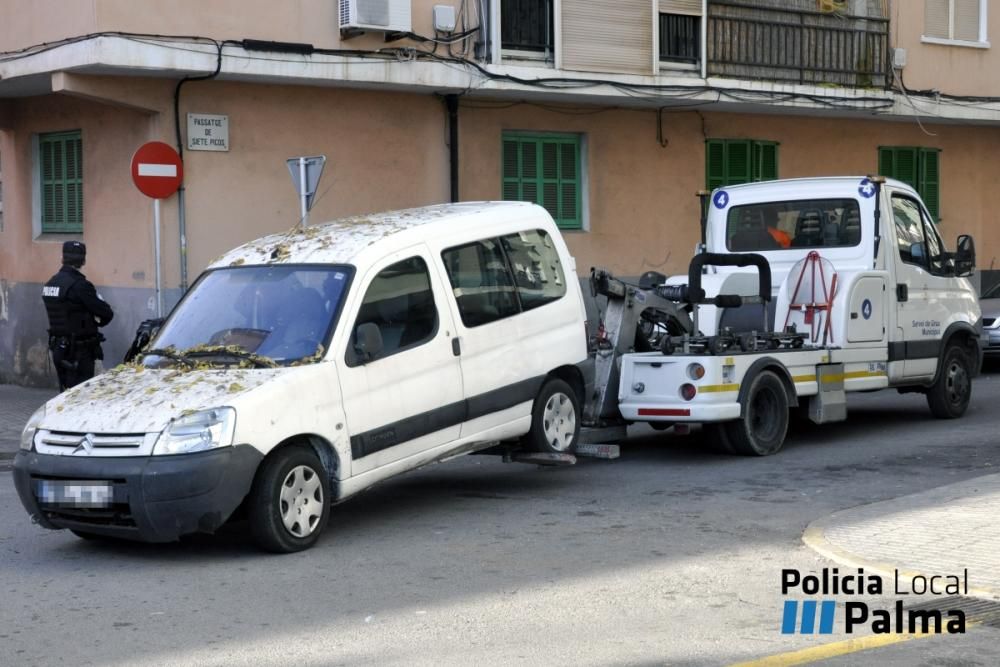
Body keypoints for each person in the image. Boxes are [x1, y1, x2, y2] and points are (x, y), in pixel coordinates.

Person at [42, 241, 115, 390]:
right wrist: (97, 322)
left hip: (59, 349)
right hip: (79, 352)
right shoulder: (80, 286)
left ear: (62, 257)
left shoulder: (50, 283)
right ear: (83, 260)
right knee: (79, 396)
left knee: (65, 393)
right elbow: (106, 313)